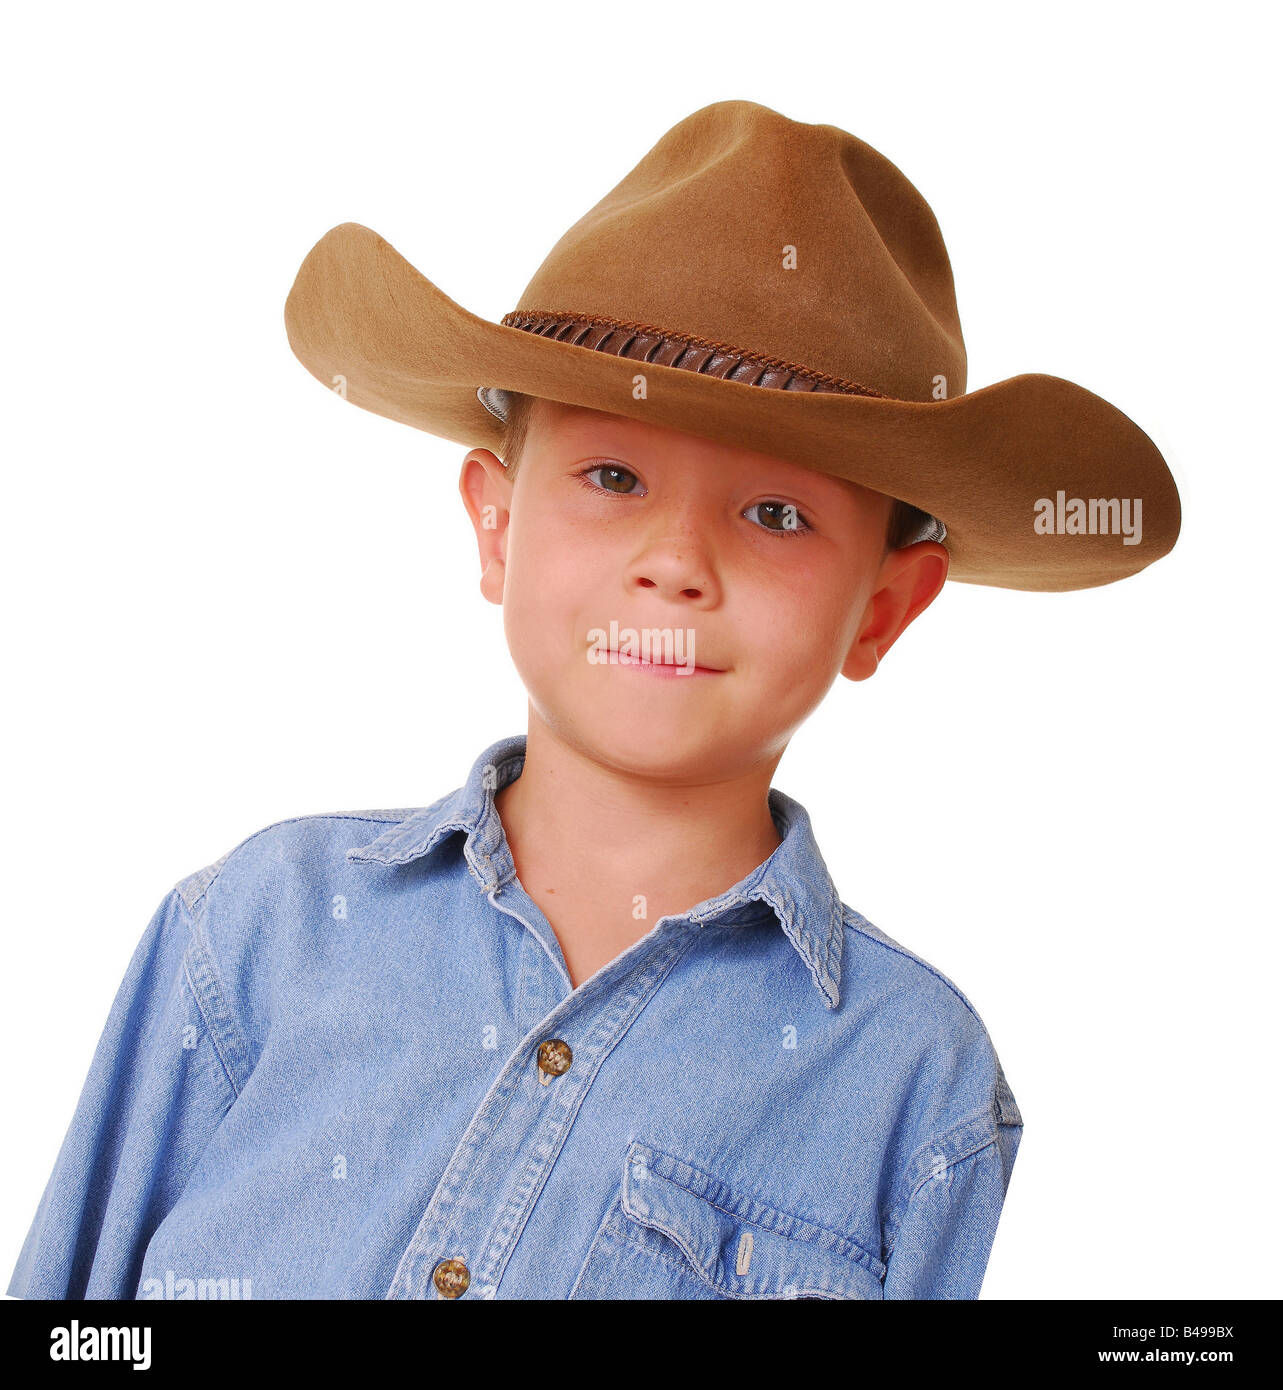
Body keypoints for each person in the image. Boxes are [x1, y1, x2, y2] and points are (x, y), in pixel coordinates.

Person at [9, 98, 1180, 1301]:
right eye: (612, 475)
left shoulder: (911, 1086)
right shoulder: (259, 931)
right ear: (496, 522)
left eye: (775, 514)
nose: (675, 559)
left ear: (882, 609)